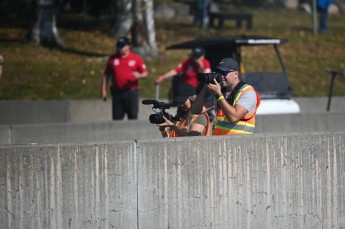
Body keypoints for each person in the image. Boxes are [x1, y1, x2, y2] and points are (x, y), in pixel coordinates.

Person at [191, 58, 261, 135]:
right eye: (219, 72)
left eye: (224, 72)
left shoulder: (247, 92)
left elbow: (234, 117)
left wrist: (219, 95)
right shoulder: (221, 91)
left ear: (236, 74)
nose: (221, 76)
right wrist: (205, 88)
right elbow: (196, 110)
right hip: (220, 143)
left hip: (240, 144)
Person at [101, 37, 148, 120]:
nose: (119, 48)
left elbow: (145, 73)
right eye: (118, 46)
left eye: (122, 46)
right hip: (117, 92)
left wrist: (139, 75)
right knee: (117, 118)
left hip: (131, 92)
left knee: (133, 117)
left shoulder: (136, 58)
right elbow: (106, 74)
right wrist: (103, 89)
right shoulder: (113, 59)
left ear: (128, 46)